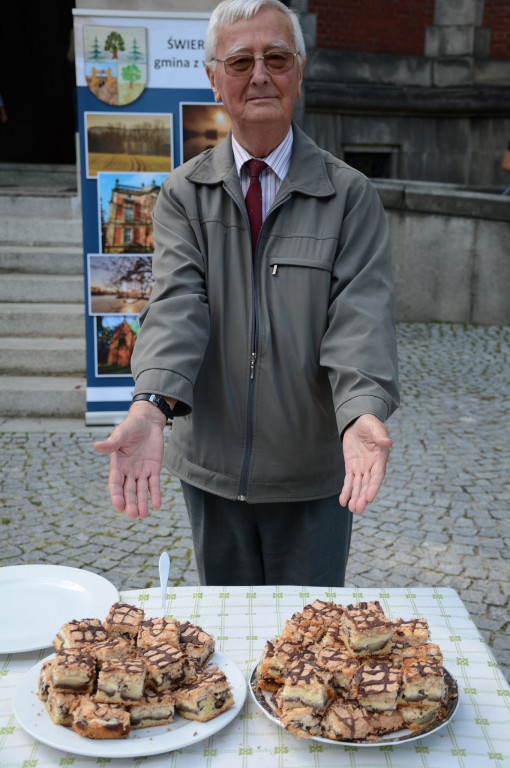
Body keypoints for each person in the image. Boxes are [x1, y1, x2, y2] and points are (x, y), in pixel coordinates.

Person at [95, 0, 400, 587]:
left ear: (299, 72)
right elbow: (177, 304)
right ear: (214, 78)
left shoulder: (349, 195)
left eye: (276, 58)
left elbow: (361, 316)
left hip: (312, 472)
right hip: (212, 469)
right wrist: (150, 404)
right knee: (227, 631)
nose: (259, 75)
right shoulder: (183, 193)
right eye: (240, 61)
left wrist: (362, 410)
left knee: (308, 636)